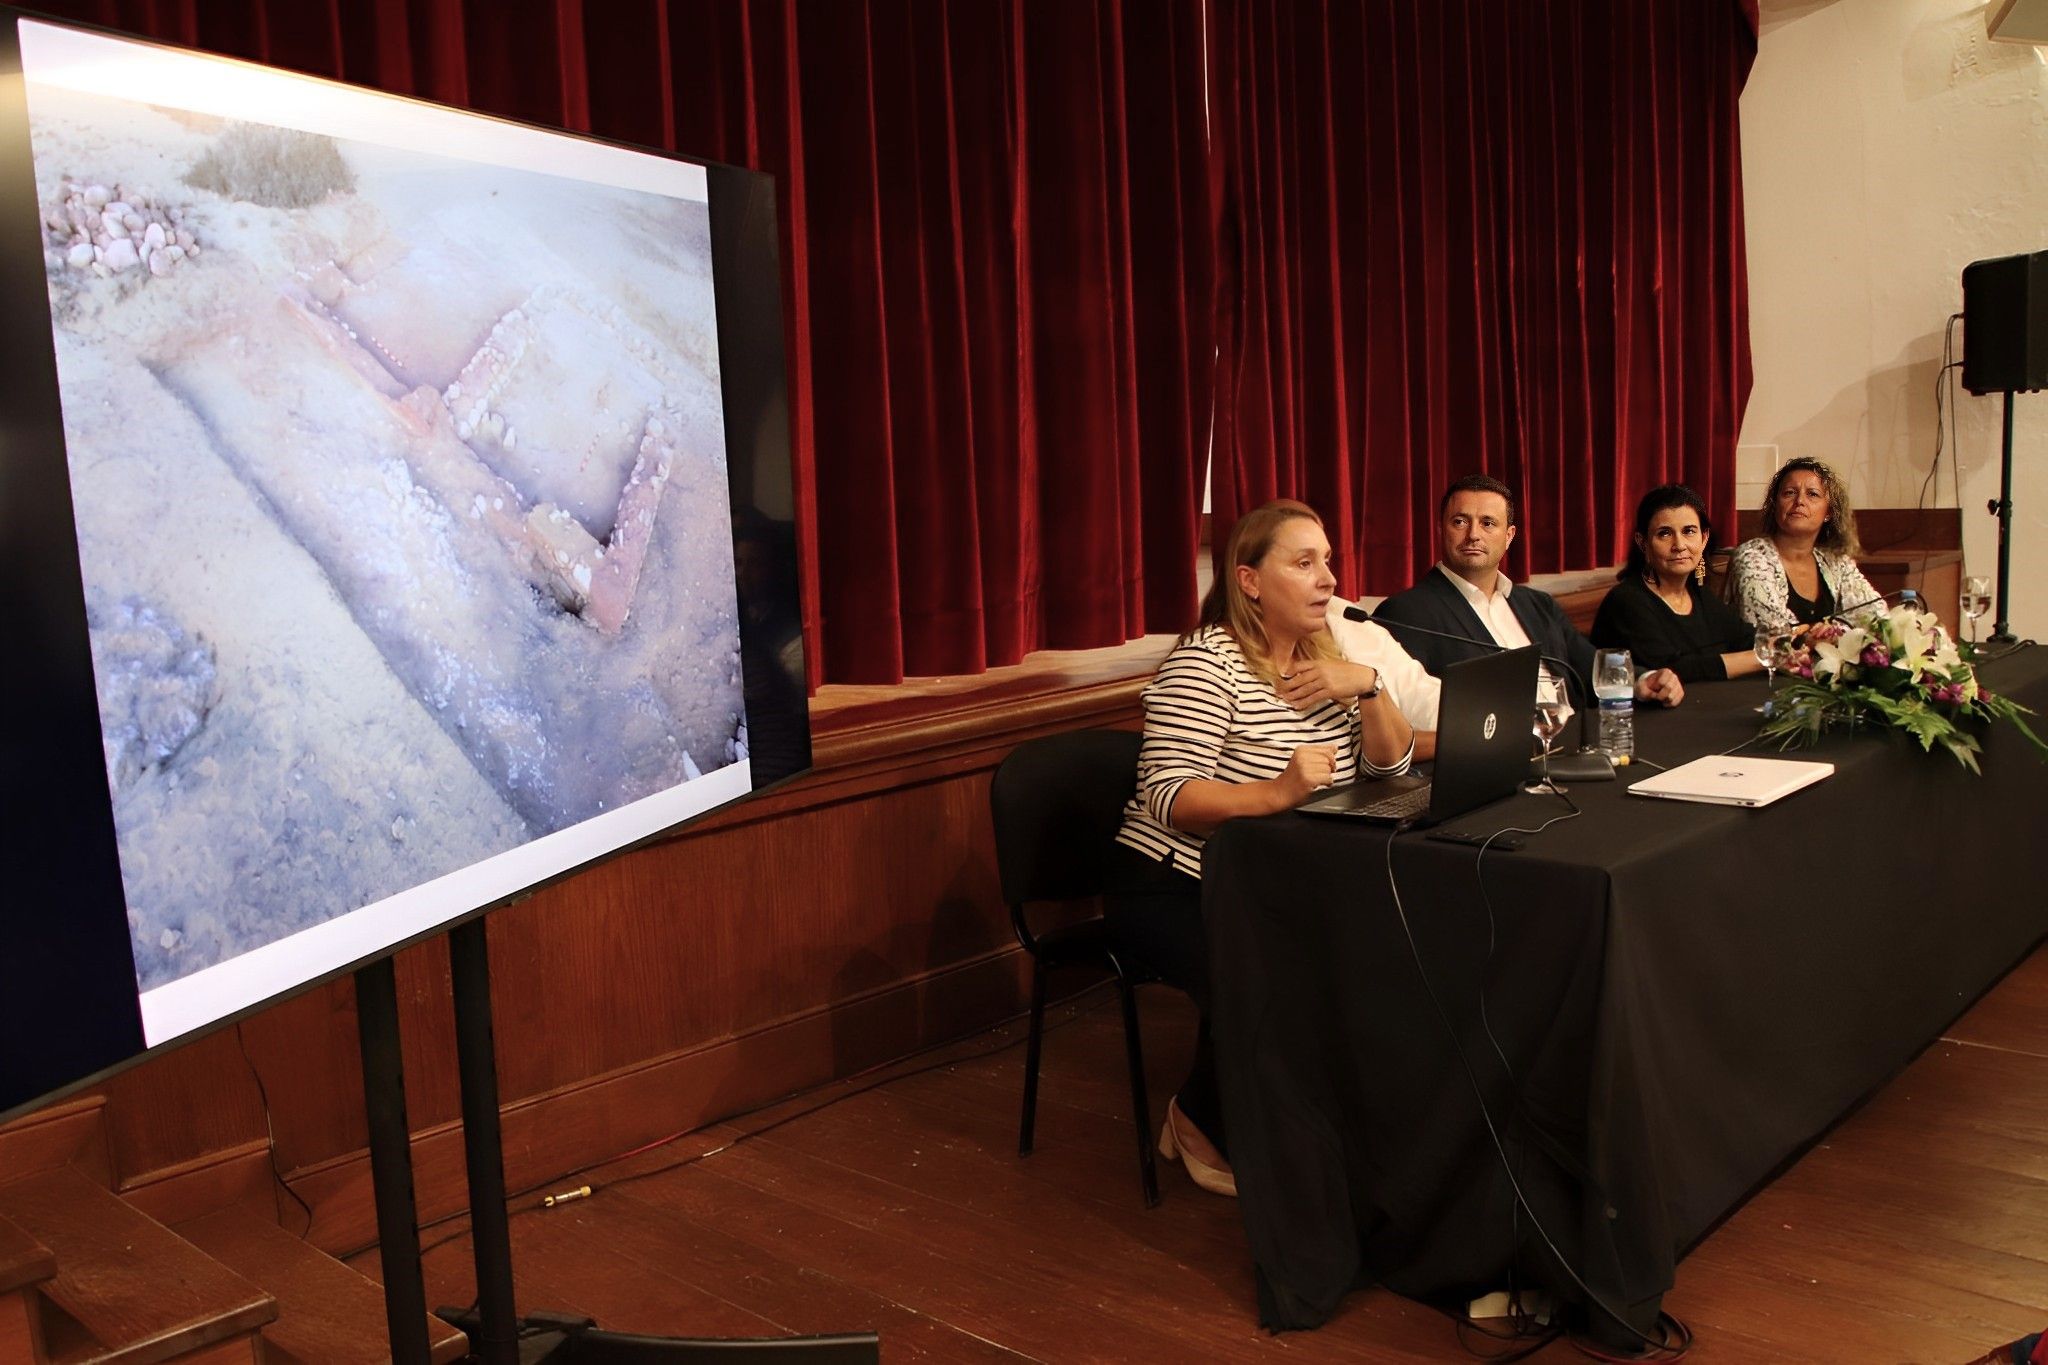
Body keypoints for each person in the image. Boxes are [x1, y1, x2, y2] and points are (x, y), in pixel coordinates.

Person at [1109, 498, 1414, 1197]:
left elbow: (1389, 769)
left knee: (1384, 946)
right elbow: (1169, 794)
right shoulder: (1206, 662)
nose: (1328, 579)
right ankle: (1198, 1116)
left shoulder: (1326, 656)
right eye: (1304, 563)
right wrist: (1277, 791)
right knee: (1282, 968)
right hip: (1172, 881)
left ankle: (1341, 1126)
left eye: (1328, 561)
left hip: (1278, 878)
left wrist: (1368, 686)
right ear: (1248, 581)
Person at [1373, 473, 1683, 712]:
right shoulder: (1406, 614)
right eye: (1460, 521)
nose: (1474, 535)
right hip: (1496, 767)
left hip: (1569, 751)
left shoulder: (1537, 604)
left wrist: (1644, 681)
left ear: (1509, 537)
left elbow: (1590, 666)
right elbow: (1405, 716)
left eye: (1488, 523)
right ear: (1441, 529)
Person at [1592, 484, 1765, 680]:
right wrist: (1765, 659)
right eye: (1664, 533)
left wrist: (1794, 641)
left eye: (1689, 531)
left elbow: (1748, 639)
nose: (1679, 545)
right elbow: (1670, 671)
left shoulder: (1699, 594)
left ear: (1704, 538)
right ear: (1643, 542)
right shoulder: (1626, 601)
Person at [1729, 456, 1883, 629]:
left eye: (1812, 494)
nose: (1799, 501)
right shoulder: (1751, 557)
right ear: (1775, 505)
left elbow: (1877, 618)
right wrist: (1836, 635)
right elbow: (1773, 636)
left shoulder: (1836, 562)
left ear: (1829, 512)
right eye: (1789, 493)